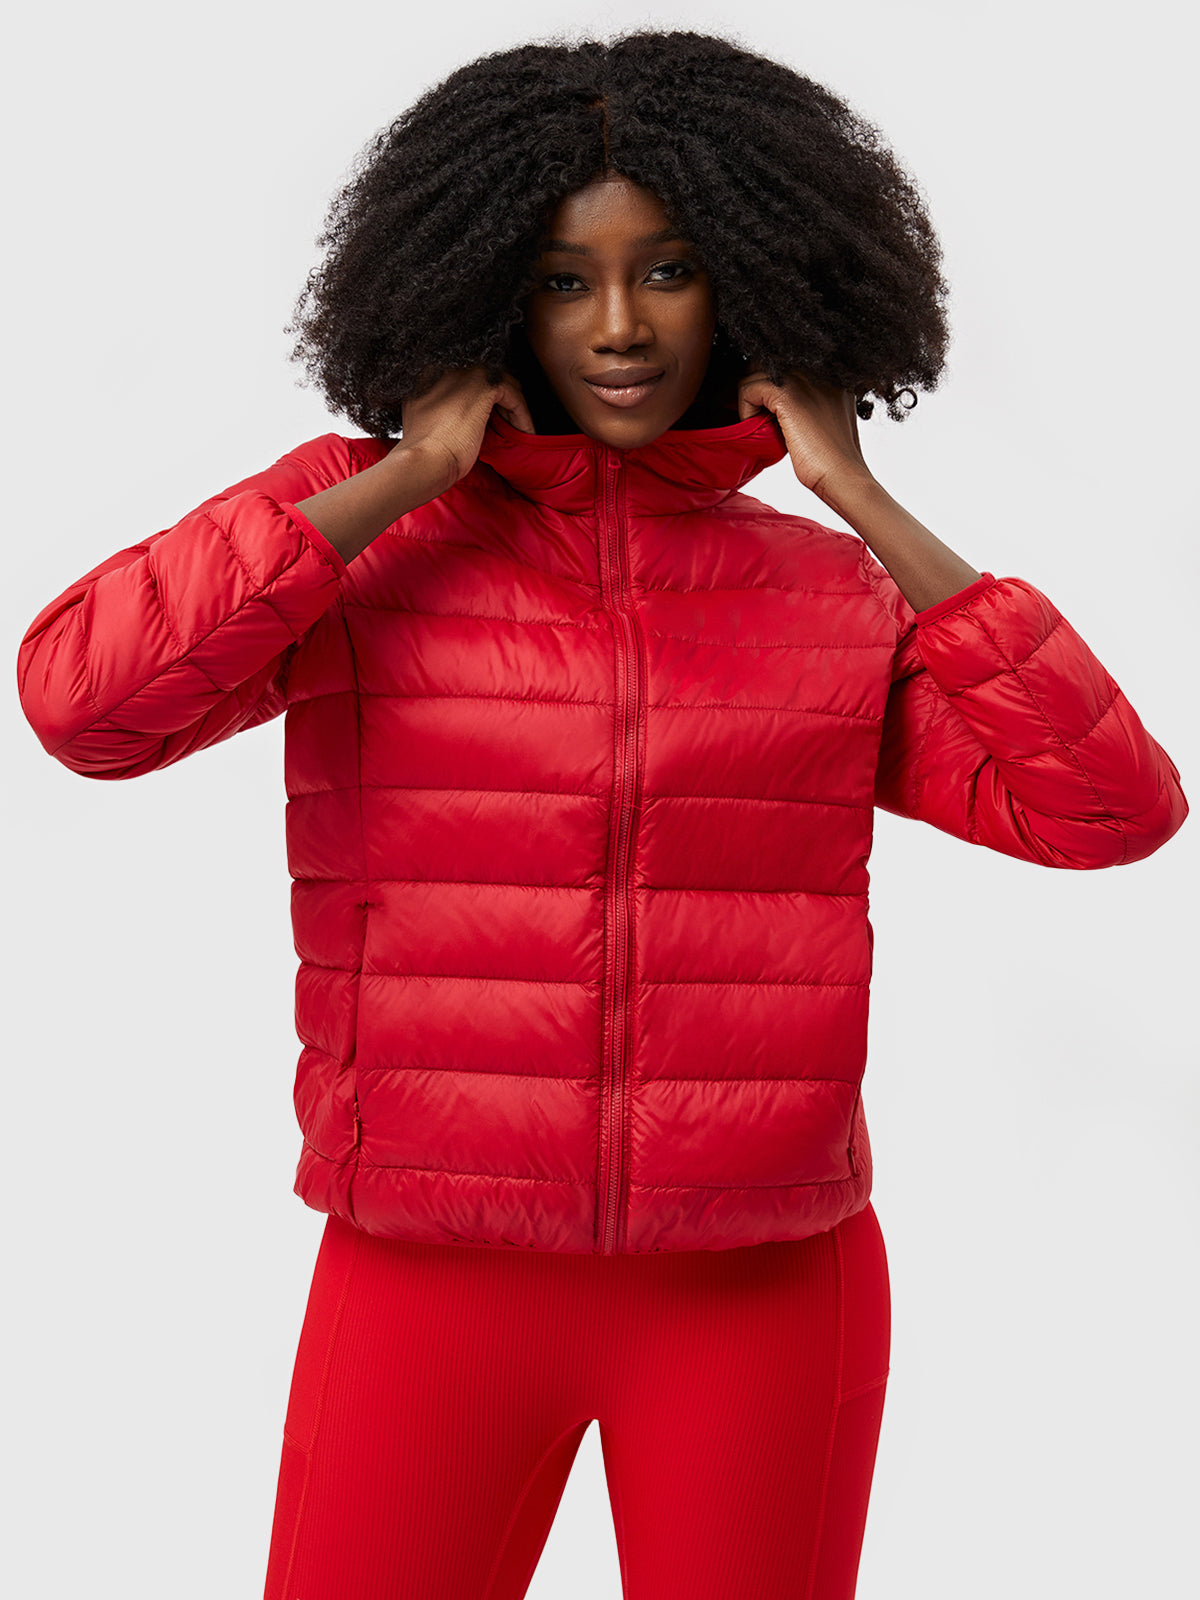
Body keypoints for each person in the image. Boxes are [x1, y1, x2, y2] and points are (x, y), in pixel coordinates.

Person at [16, 28, 1187, 1600]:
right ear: (486, 292)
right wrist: (399, 479)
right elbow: (82, 705)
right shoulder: (363, 541)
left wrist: (863, 500)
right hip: (426, 1279)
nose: (621, 325)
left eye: (669, 271)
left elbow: (1108, 810)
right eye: (566, 281)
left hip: (761, 1290)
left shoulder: (828, 593)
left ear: (751, 287)